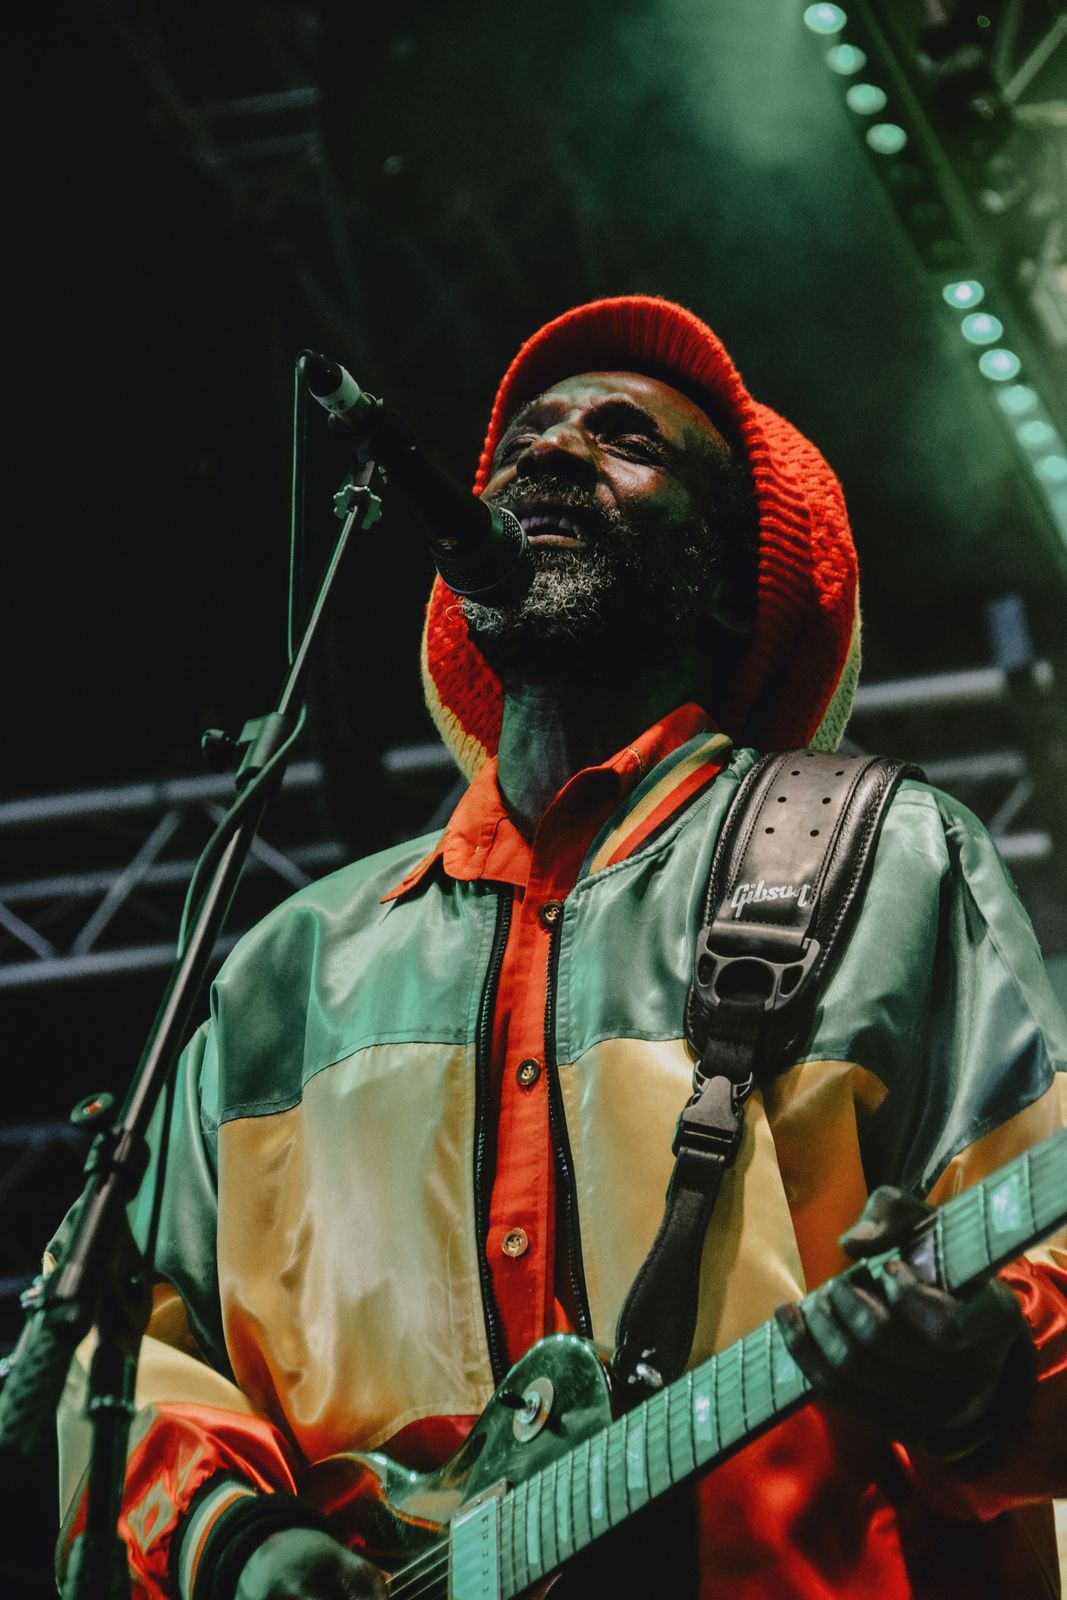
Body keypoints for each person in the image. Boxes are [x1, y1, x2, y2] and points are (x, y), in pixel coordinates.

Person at [55, 296, 1067, 1599]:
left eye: (625, 438)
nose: (550, 449)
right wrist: (237, 1543)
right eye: (528, 434)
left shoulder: (883, 860)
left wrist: (984, 1370)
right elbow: (119, 1356)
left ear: (732, 574)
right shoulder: (288, 973)